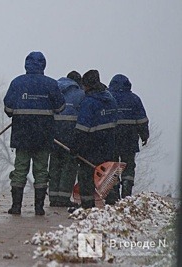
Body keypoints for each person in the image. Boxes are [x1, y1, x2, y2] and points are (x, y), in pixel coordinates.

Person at [3, 51, 65, 216]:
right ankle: (39, 208)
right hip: (44, 135)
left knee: (20, 168)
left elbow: (8, 108)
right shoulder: (51, 84)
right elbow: (60, 108)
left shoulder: (17, 83)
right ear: (44, 65)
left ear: (26, 64)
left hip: (22, 134)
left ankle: (16, 207)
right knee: (41, 170)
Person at [72, 70, 118, 209]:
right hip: (109, 144)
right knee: (107, 175)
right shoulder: (110, 100)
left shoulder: (89, 103)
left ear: (87, 85)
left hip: (90, 146)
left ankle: (87, 205)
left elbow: (82, 129)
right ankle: (113, 203)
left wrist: (75, 148)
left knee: (86, 176)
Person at [108, 74, 149, 199]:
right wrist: (144, 135)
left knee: (113, 165)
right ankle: (127, 188)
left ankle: (113, 192)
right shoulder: (135, 99)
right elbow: (142, 120)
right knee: (129, 165)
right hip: (129, 139)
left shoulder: (109, 98)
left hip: (111, 139)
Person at [48, 71, 84, 207]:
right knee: (69, 166)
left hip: (53, 133)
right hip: (70, 134)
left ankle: (53, 197)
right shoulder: (80, 94)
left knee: (55, 164)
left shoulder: (54, 90)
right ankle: (63, 198)